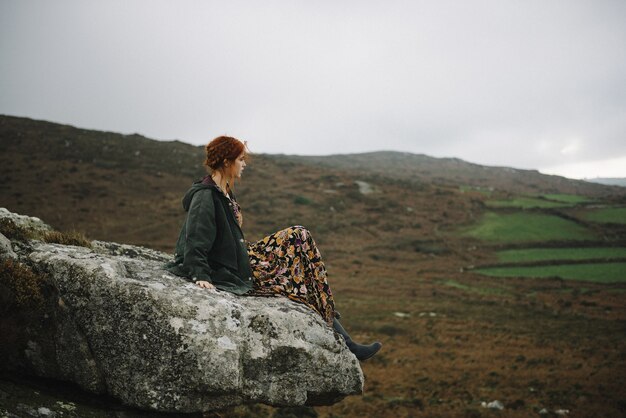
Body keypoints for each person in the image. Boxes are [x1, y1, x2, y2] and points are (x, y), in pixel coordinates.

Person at [165, 135, 381, 361]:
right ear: (227, 162)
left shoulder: (224, 191)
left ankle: (345, 338)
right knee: (298, 274)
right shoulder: (205, 196)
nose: (244, 164)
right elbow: (195, 238)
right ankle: (349, 344)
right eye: (240, 159)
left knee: (300, 238)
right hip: (229, 267)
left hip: (240, 256)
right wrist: (200, 273)